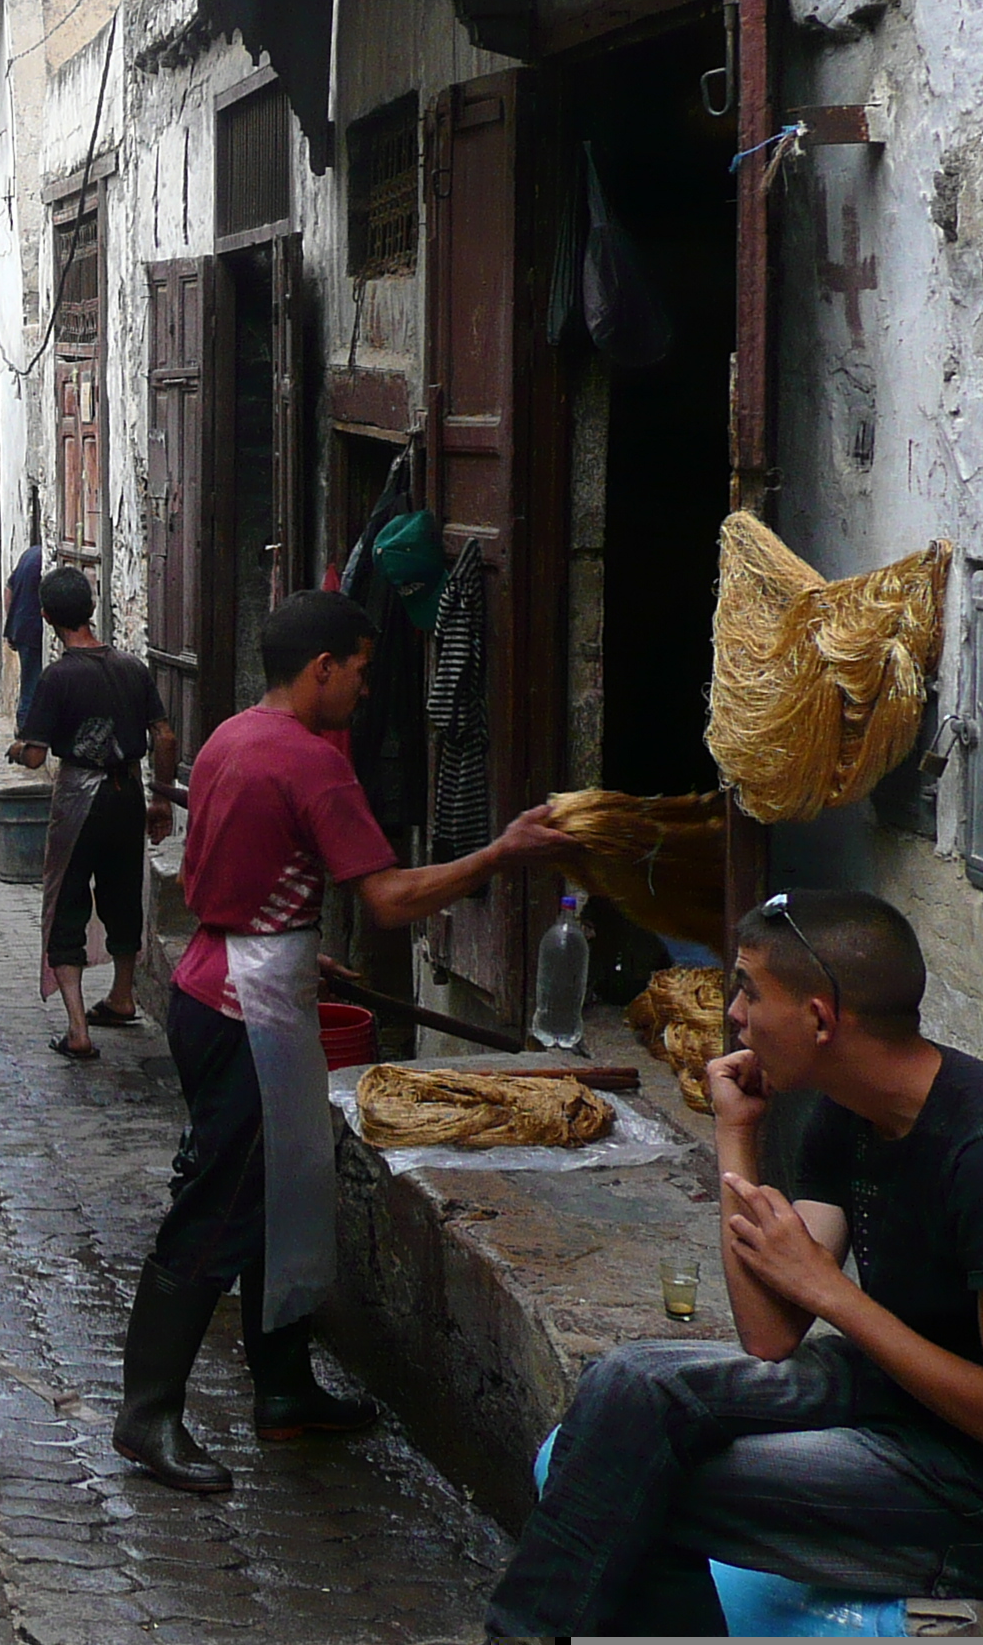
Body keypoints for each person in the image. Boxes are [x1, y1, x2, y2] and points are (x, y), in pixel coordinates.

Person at [484, 890, 983, 1635]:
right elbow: (769, 1333)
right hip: (904, 1405)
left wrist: (833, 1295)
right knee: (633, 1383)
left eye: (748, 990)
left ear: (820, 1018)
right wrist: (736, 1134)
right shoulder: (849, 1112)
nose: (732, 1014)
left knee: (632, 1482)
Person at [115, 589, 572, 1495]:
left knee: (281, 1196)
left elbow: (246, 877)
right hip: (246, 1006)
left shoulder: (230, 736)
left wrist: (298, 948)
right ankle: (148, 1414)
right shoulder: (311, 762)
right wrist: (500, 854)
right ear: (321, 668)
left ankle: (283, 1390)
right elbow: (390, 900)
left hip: (228, 977)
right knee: (222, 1204)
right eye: (360, 671)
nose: (367, 689)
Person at [7, 568, 165, 1058]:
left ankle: (78, 1029)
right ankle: (122, 996)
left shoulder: (58, 677)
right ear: (91, 610)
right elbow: (165, 736)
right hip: (128, 794)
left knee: (67, 904)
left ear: (47, 616)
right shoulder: (132, 667)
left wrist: (17, 749)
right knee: (122, 895)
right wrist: (159, 799)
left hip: (79, 798)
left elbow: (36, 756)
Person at [4, 543, 46, 736]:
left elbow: (9, 589)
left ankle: (24, 729)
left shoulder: (30, 554)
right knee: (32, 683)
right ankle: (26, 734)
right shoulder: (43, 560)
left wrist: (11, 623)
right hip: (32, 629)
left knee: (29, 681)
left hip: (20, 626)